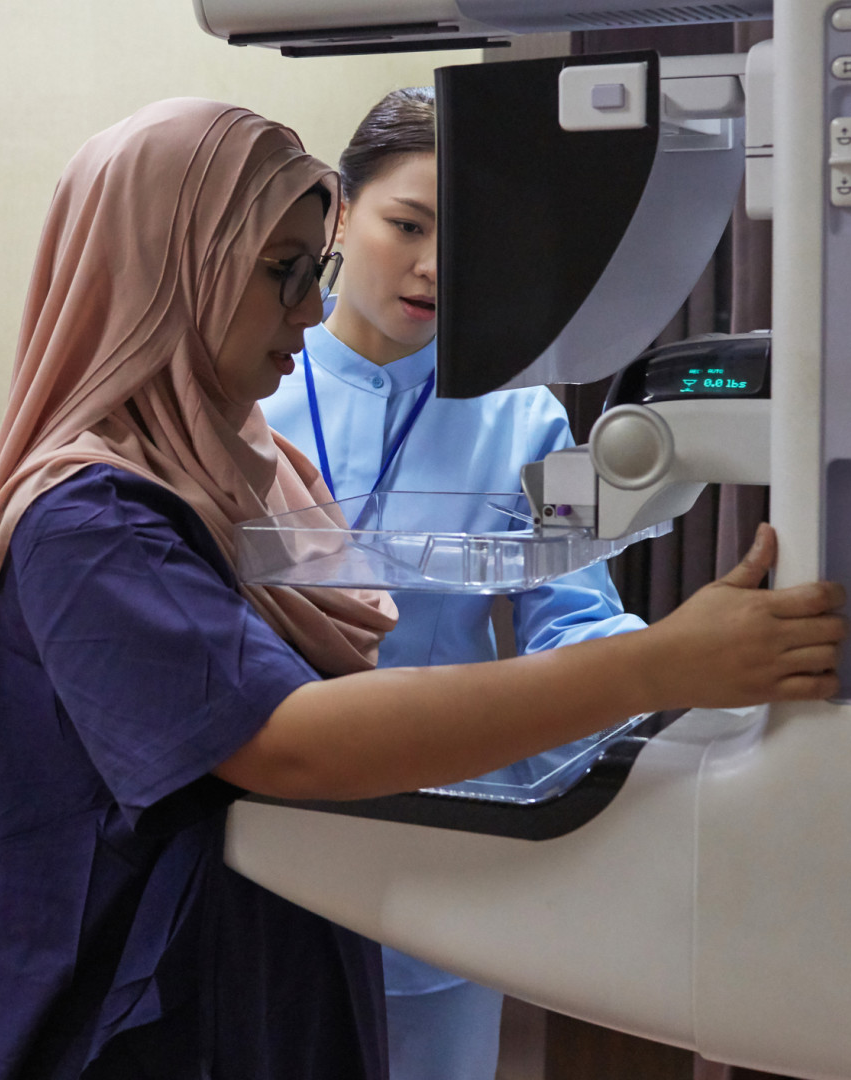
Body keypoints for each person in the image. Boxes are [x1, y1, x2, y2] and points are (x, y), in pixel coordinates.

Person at [0, 98, 846, 1080]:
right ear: (170, 266)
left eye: (305, 271)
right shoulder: (99, 518)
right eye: (285, 270)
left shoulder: (262, 452)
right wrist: (662, 664)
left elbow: (570, 613)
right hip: (153, 994)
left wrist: (676, 704)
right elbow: (289, 742)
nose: (306, 307)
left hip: (376, 884)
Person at [260, 86, 641, 1080]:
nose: (434, 265)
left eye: (465, 236)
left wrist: (663, 694)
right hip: (268, 817)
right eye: (407, 224)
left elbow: (580, 614)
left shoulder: (535, 418)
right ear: (340, 210)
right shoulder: (246, 392)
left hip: (447, 827)